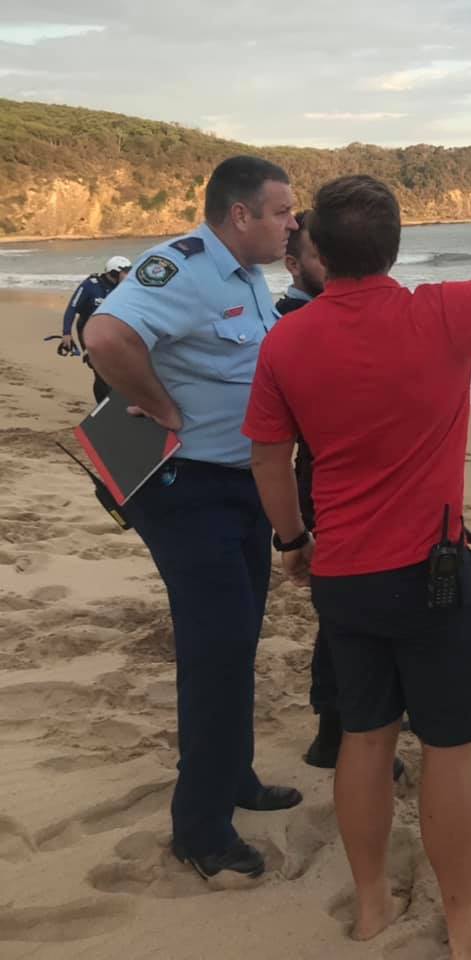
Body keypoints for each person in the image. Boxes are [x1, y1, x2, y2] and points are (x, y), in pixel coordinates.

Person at [243, 174, 471, 955]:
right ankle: (467, 924)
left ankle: (371, 908)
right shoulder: (442, 313)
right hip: (434, 580)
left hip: (345, 580)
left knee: (365, 738)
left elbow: (269, 459)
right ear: (395, 249)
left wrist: (293, 543)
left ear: (316, 249)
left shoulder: (285, 340)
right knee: (448, 751)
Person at [83, 156, 301, 886]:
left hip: (237, 484)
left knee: (237, 639)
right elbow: (108, 338)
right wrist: (167, 410)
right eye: (280, 212)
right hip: (184, 487)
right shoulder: (180, 268)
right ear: (240, 215)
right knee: (215, 651)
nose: (292, 223)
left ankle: (233, 776)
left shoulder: (244, 274)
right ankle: (202, 831)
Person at [276, 213, 405, 782]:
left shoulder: (305, 318)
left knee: (345, 608)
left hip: (338, 476)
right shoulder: (291, 321)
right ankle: (337, 731)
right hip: (324, 480)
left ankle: (343, 726)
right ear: (295, 265)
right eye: (320, 258)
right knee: (344, 611)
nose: (332, 269)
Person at [60, 255, 132, 402]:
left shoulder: (125, 288)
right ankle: (103, 405)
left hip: (112, 332)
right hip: (88, 331)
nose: (129, 276)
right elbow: (72, 308)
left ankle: (114, 402)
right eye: (125, 272)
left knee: (118, 371)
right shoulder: (90, 285)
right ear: (114, 273)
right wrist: (66, 333)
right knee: (100, 372)